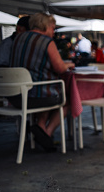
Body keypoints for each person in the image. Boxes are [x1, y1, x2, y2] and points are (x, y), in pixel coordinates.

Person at [10, 12, 75, 151]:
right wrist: (69, 64)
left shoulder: (17, 38)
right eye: (53, 28)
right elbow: (60, 68)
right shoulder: (47, 42)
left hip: (15, 96)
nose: (53, 32)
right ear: (45, 26)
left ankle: (39, 126)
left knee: (44, 86)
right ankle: (47, 132)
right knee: (67, 100)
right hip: (34, 97)